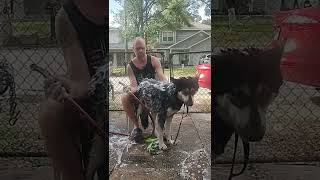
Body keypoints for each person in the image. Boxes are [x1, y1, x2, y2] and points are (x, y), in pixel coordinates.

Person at [38, 0, 107, 180]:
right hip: (96, 98)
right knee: (51, 112)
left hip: (117, 95)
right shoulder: (67, 16)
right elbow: (81, 81)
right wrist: (68, 87)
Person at [121, 37, 167, 143]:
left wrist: (167, 84)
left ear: (146, 48)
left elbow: (161, 76)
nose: (140, 50)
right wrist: (129, 90)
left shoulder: (154, 60)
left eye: (142, 48)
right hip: (139, 93)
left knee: (165, 93)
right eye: (138, 48)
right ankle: (137, 128)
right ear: (133, 49)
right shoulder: (130, 66)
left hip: (154, 93)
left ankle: (159, 128)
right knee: (124, 97)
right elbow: (134, 85)